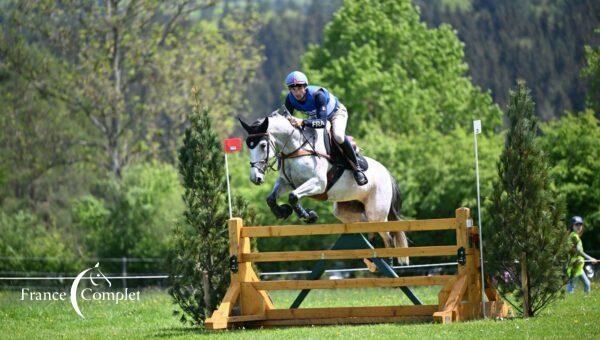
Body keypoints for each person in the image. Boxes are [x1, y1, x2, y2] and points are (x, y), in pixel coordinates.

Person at [282, 71, 368, 186]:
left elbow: (322, 123)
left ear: (305, 87)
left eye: (299, 88)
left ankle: (357, 168)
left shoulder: (318, 94)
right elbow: (287, 120)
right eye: (292, 89)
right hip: (316, 117)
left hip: (336, 113)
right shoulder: (289, 99)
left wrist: (302, 121)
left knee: (338, 135)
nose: (296, 92)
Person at [566, 216, 598, 293]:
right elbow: (579, 251)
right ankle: (569, 303)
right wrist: (590, 258)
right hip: (574, 265)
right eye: (576, 225)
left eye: (580, 224)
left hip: (578, 266)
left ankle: (586, 301)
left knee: (587, 284)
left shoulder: (575, 236)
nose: (579, 226)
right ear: (572, 226)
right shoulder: (574, 236)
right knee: (572, 286)